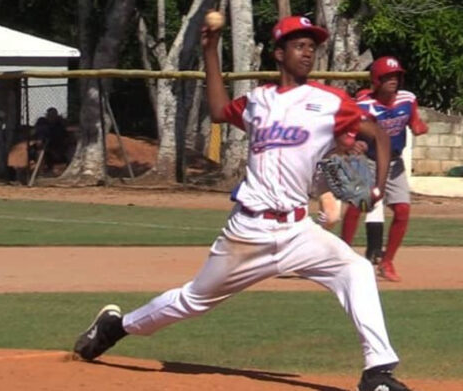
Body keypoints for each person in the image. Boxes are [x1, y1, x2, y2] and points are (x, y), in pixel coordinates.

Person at [73, 15, 412, 391]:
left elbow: (379, 134)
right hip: (248, 231)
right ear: (278, 53)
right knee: (192, 300)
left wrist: (378, 187)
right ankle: (115, 328)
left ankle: (377, 372)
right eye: (299, 45)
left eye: (312, 46)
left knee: (357, 270)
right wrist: (210, 49)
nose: (308, 52)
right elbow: (218, 111)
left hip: (299, 230)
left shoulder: (330, 101)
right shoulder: (258, 101)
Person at [339, 56, 429, 282]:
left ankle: (387, 262)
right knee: (356, 206)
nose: (394, 80)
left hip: (394, 163)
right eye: (387, 76)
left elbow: (414, 121)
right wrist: (351, 144)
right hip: (367, 160)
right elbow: (348, 132)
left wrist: (418, 126)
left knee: (402, 210)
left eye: (396, 76)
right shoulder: (363, 105)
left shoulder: (407, 99)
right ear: (376, 80)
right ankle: (342, 256)